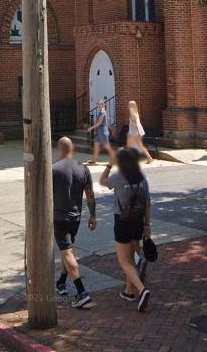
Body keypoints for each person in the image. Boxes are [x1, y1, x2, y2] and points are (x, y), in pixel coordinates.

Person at [102, 144, 153, 311]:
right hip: (138, 222)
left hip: (122, 221)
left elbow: (103, 181)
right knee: (132, 258)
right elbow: (147, 204)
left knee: (124, 261)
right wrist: (147, 225)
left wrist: (109, 164)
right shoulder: (143, 178)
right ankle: (129, 291)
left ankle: (141, 290)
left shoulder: (119, 176)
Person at [51, 136, 97, 307]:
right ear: (73, 149)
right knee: (67, 250)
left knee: (67, 252)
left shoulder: (53, 169)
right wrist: (93, 216)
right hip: (75, 218)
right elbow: (90, 194)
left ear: (58, 149)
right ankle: (61, 282)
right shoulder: (83, 169)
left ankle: (81, 292)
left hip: (59, 218)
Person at [90, 98, 115, 162]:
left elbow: (99, 123)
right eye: (97, 104)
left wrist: (91, 128)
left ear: (102, 105)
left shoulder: (102, 112)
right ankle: (94, 160)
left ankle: (115, 159)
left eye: (99, 104)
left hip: (103, 132)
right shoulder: (101, 112)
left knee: (107, 147)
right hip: (99, 132)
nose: (98, 105)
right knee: (96, 145)